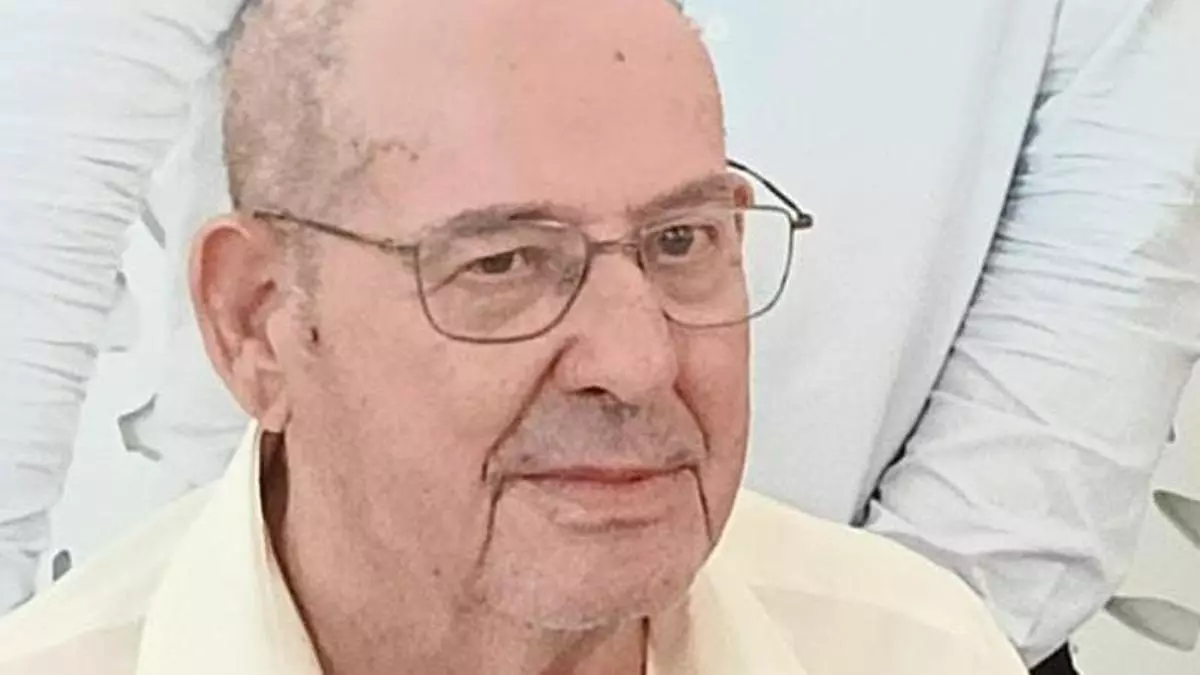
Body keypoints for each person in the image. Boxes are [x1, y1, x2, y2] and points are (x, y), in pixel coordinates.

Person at [1, 1, 1197, 674]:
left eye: (686, 241)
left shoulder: (915, 640)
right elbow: (38, 192)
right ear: (251, 320)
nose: (634, 358)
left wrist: (824, 641)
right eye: (500, 262)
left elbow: (1113, 258)